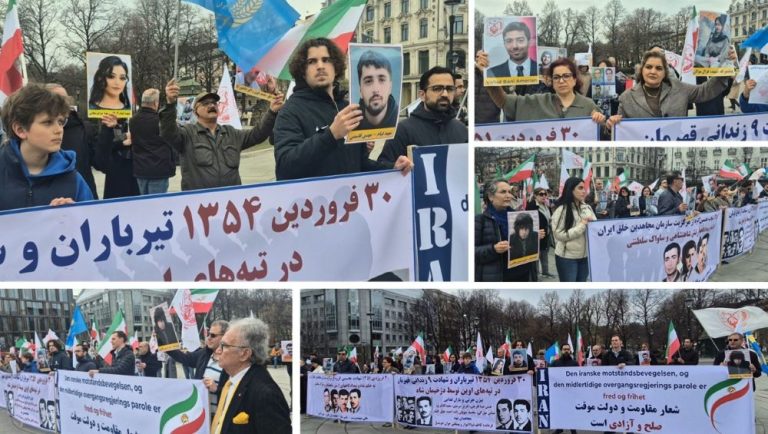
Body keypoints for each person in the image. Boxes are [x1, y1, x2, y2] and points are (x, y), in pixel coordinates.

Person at [273, 38, 410, 180]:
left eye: (326, 60)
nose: (320, 66)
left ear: (336, 67)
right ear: (302, 71)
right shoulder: (290, 110)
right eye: (312, 61)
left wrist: (392, 168)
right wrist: (331, 134)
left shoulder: (347, 108)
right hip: (315, 201)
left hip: (348, 200)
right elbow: (284, 167)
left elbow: (359, 165)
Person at [161, 79, 282, 191]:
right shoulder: (187, 134)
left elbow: (258, 134)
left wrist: (272, 112)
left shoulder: (231, 133)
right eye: (205, 103)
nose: (211, 105)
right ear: (195, 111)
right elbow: (168, 132)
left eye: (214, 103)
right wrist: (170, 103)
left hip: (230, 203)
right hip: (199, 205)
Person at [0, 84, 94, 211]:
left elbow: (91, 224)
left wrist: (73, 216)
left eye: (60, 122)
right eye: (48, 122)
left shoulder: (74, 180)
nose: (59, 130)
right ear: (20, 129)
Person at [608, 49, 736, 125]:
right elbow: (619, 128)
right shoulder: (626, 97)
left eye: (658, 68)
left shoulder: (679, 88)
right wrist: (612, 124)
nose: (653, 71)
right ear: (642, 70)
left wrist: (725, 66)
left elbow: (704, 91)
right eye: (648, 67)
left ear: (665, 72)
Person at [210, 317, 291, 434]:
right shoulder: (230, 379)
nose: (217, 350)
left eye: (224, 345)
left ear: (244, 354)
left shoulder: (265, 394)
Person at [479, 53, 606, 124]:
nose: (561, 81)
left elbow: (606, 129)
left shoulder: (588, 105)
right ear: (551, 81)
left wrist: (602, 120)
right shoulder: (537, 102)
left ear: (574, 79)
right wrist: (488, 74)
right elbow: (504, 102)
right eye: (556, 77)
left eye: (566, 76)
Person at [378, 66, 468, 165]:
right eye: (437, 89)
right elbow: (384, 167)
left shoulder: (461, 129)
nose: (445, 94)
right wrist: (394, 167)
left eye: (450, 89)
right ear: (422, 95)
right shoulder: (403, 130)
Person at [476, 179, 536, 281]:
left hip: (524, 274)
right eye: (503, 192)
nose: (509, 196)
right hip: (500, 277)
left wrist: (535, 235)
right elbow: (473, 253)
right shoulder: (480, 220)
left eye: (509, 192)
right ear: (491, 196)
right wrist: (493, 249)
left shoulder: (519, 216)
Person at [46, 84, 99, 199]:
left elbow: (101, 163)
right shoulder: (36, 136)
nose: (64, 103)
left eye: (66, 99)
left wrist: (107, 130)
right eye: (57, 99)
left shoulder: (84, 128)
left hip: (83, 199)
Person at [166, 320, 229, 415]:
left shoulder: (233, 359)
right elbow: (185, 358)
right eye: (208, 334)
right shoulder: (204, 353)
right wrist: (164, 340)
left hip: (221, 416)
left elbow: (237, 392)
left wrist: (217, 389)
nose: (208, 338)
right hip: (202, 415)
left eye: (213, 335)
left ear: (225, 336)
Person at [129, 88, 175, 195]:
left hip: (140, 169)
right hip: (158, 169)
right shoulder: (159, 121)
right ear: (155, 103)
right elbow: (170, 139)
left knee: (144, 204)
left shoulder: (133, 120)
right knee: (157, 205)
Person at [551, 177, 596, 282]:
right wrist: (582, 225)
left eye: (584, 188)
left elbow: (595, 228)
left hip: (585, 257)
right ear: (571, 190)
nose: (584, 191)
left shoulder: (587, 208)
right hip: (567, 258)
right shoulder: (562, 209)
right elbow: (558, 235)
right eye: (580, 188)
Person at [355, 50, 398, 130]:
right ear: (360, 90)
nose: (376, 89)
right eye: (368, 81)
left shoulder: (402, 127)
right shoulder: (349, 127)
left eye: (381, 80)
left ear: (390, 87)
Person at [528, 187, 553, 278]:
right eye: (541, 194)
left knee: (544, 253)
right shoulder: (531, 205)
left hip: (546, 234)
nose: (544, 196)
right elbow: (528, 221)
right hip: (536, 235)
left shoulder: (546, 205)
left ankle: (545, 272)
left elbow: (549, 218)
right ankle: (536, 274)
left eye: (545, 194)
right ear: (535, 195)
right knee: (536, 255)